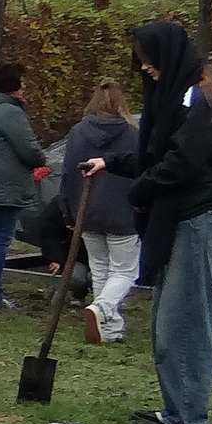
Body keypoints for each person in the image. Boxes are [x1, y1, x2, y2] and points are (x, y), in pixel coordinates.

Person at [83, 22, 212, 424]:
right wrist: (111, 164)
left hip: (199, 216)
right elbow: (155, 153)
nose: (145, 68)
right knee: (168, 318)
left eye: (149, 59)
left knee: (185, 318)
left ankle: (189, 419)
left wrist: (139, 188)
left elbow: (181, 163)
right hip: (180, 216)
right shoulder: (175, 99)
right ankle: (177, 407)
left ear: (169, 57)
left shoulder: (199, 101)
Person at [62, 79, 141, 344]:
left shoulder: (78, 132)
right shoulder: (133, 133)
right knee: (125, 271)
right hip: (122, 211)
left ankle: (109, 328)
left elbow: (67, 174)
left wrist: (69, 210)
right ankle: (103, 308)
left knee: (101, 269)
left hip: (88, 209)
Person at [0, 62, 50, 311]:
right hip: (5, 183)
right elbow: (29, 151)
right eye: (22, 83)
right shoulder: (9, 112)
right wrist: (41, 158)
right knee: (0, 237)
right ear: (11, 86)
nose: (25, 88)